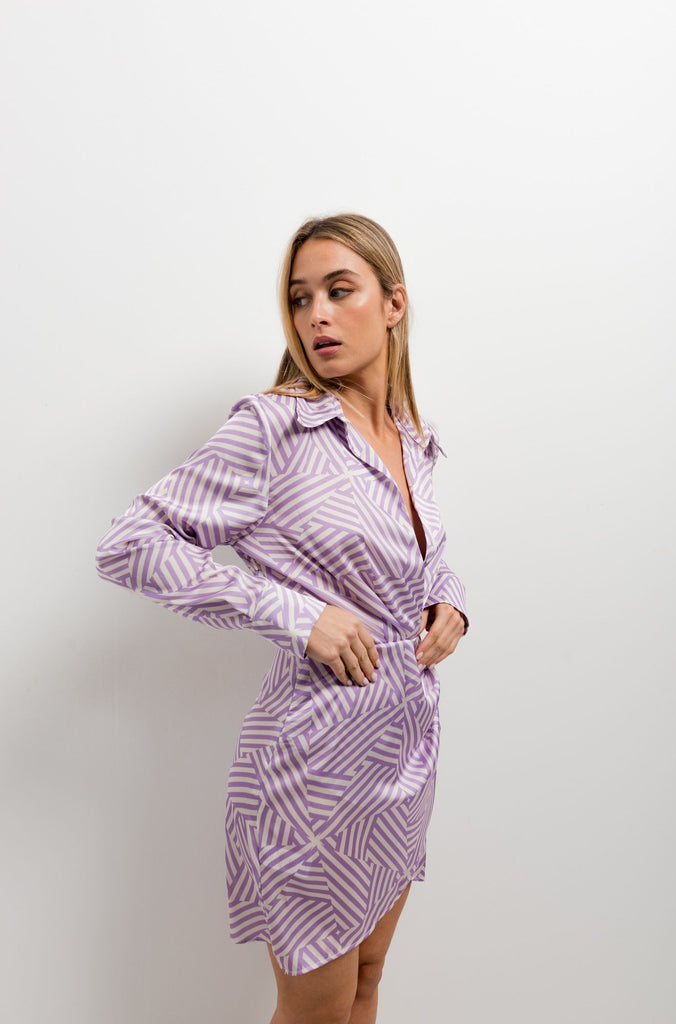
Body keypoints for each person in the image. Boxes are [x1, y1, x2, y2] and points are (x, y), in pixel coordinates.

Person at [95, 212, 469, 1024]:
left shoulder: (412, 437)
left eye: (339, 291)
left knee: (367, 980)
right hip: (314, 765)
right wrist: (297, 615)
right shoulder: (274, 428)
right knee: (315, 1007)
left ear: (394, 303)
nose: (316, 316)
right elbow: (130, 544)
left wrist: (451, 602)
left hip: (404, 756)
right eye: (301, 299)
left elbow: (412, 557)